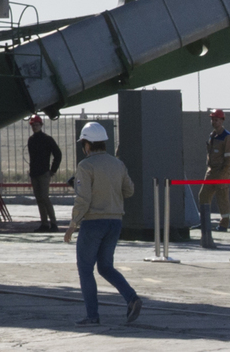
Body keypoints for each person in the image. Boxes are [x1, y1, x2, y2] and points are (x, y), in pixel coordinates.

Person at [65, 121, 144, 326]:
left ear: (88, 145)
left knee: (85, 269)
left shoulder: (85, 166)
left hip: (93, 223)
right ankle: (132, 298)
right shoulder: (118, 164)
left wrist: (73, 225)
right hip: (114, 222)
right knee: (106, 267)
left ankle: (92, 316)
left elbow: (83, 199)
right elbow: (129, 190)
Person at [199, 109, 230, 248]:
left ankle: (224, 224)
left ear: (222, 121)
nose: (214, 122)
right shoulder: (212, 135)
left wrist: (224, 173)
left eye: (216, 119)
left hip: (222, 171)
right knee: (203, 195)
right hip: (211, 171)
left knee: (222, 197)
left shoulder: (227, 137)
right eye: (213, 119)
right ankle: (204, 222)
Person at [28, 114, 64, 232]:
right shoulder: (31, 140)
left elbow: (58, 154)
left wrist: (53, 170)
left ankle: (53, 223)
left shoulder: (47, 139)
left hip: (44, 173)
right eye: (33, 125)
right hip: (34, 173)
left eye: (37, 125)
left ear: (41, 125)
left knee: (44, 198)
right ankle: (44, 223)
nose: (35, 127)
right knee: (39, 199)